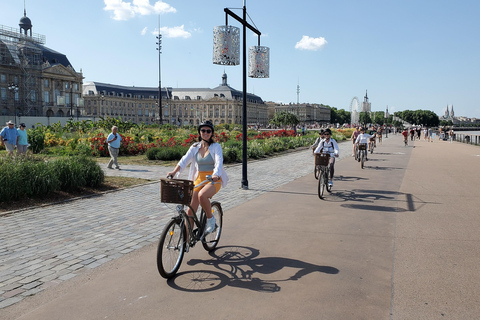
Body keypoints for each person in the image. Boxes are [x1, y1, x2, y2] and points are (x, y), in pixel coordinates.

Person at [167, 120, 229, 234]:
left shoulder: (216, 147)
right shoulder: (195, 147)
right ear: (199, 132)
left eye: (208, 131)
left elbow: (219, 162)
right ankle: (186, 240)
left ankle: (211, 220)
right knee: (190, 212)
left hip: (213, 180)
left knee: (202, 196)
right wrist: (174, 172)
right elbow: (184, 160)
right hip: (199, 179)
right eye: (203, 130)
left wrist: (216, 174)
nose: (206, 133)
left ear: (212, 133)